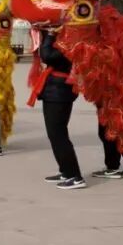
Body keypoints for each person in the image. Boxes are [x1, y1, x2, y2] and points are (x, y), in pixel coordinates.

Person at [37, 29, 85, 189]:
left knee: (58, 135)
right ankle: (66, 171)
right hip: (56, 89)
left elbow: (47, 56)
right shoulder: (66, 39)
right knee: (55, 134)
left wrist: (50, 35)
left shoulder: (70, 42)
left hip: (59, 91)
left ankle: (75, 176)